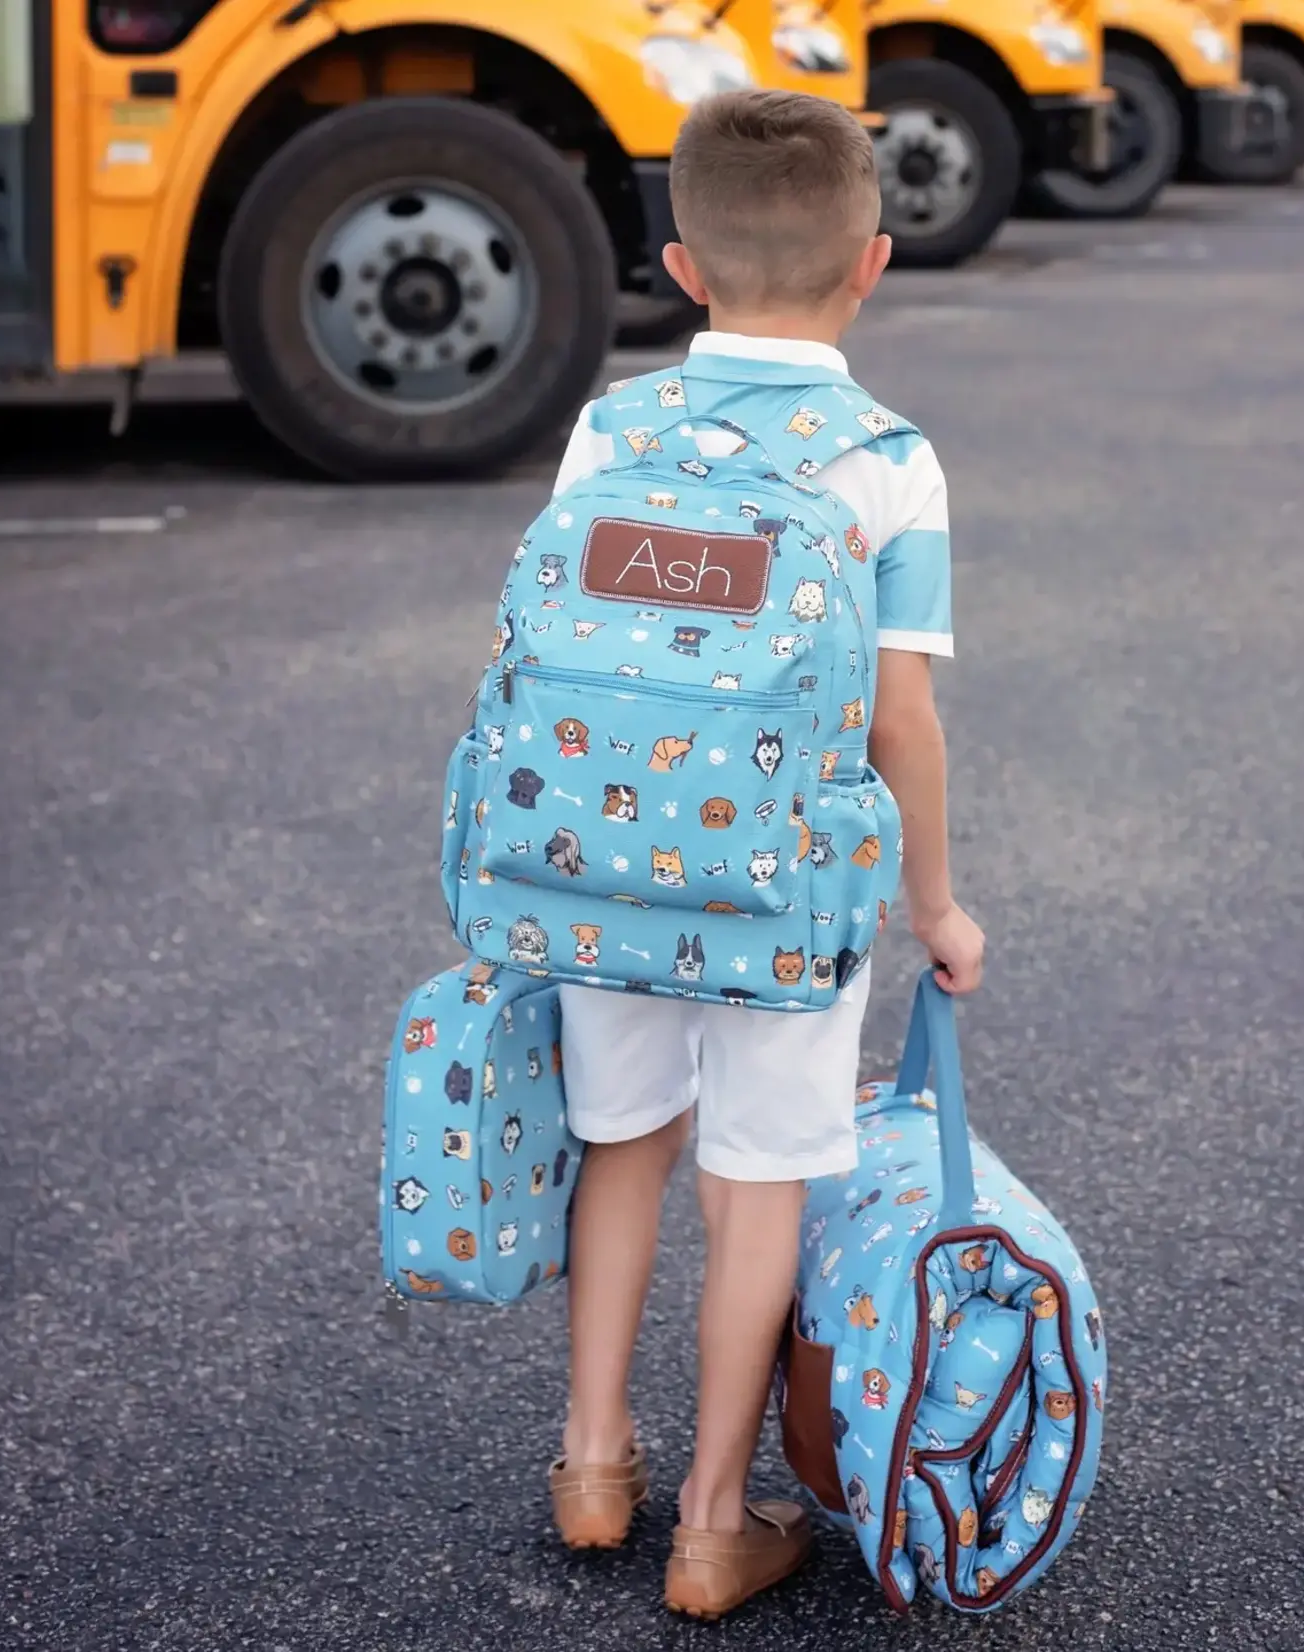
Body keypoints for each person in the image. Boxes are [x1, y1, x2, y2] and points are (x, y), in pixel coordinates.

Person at [545, 88, 985, 1619]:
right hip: (785, 894)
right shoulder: (889, 461)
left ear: (679, 267)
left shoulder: (613, 425)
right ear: (873, 264)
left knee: (624, 1143)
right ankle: (714, 1523)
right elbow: (902, 720)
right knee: (763, 1177)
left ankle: (595, 1461)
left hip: (594, 860)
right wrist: (933, 904)